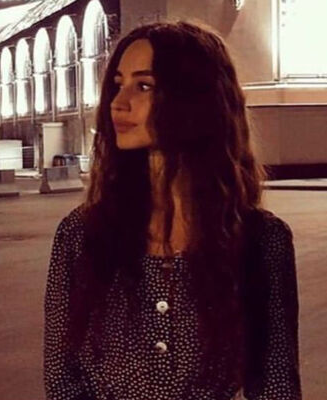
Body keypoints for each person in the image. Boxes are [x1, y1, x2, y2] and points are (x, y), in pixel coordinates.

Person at [44, 21, 301, 400]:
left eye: (144, 86)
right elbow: (62, 379)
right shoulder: (82, 234)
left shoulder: (261, 240)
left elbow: (275, 384)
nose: (118, 102)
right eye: (118, 84)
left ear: (196, 98)